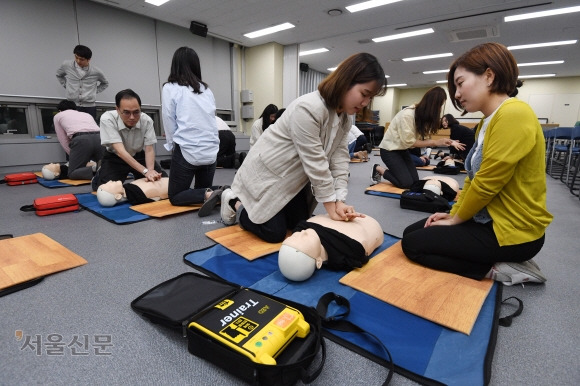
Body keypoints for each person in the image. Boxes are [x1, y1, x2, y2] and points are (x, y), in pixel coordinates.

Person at [401, 42, 553, 286]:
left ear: (489, 76)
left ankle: (500, 269)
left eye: (460, 83)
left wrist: (456, 220)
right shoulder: (485, 123)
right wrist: (452, 213)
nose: (457, 95)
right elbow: (472, 179)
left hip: (514, 232)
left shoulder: (515, 113)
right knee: (412, 233)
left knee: (413, 246)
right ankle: (492, 258)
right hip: (486, 219)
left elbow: (487, 183)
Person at [220, 52, 388, 243]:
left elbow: (340, 160)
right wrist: (331, 207)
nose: (366, 103)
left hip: (293, 177)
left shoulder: (344, 119)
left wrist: (340, 199)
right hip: (267, 174)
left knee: (300, 225)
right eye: (364, 94)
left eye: (370, 97)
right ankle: (233, 200)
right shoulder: (309, 108)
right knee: (274, 233)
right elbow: (316, 163)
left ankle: (275, 209)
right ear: (345, 81)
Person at [162, 47, 220, 211]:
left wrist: (172, 145)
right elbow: (211, 118)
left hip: (188, 150)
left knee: (175, 196)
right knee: (204, 192)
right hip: (211, 151)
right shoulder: (207, 89)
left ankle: (213, 193)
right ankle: (220, 192)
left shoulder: (170, 87)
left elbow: (168, 118)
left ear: (175, 65)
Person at [371, 86, 465, 188]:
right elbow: (410, 142)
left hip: (402, 150)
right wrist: (435, 142)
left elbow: (419, 138)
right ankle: (379, 169)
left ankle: (394, 172)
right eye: (440, 105)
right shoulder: (408, 115)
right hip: (389, 150)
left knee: (414, 182)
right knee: (406, 183)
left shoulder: (422, 116)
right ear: (433, 105)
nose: (440, 109)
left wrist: (450, 141)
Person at [92, 89, 165, 191]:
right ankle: (98, 176)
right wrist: (145, 171)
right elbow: (120, 151)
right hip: (115, 157)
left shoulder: (147, 120)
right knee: (104, 190)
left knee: (161, 181)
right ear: (117, 109)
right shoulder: (107, 119)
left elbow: (149, 149)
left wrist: (151, 171)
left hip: (138, 155)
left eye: (136, 112)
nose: (132, 117)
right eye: (126, 112)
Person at [278, 214, 384, 281]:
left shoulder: (302, 228)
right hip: (370, 222)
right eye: (303, 240)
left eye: (295, 236)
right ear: (318, 262)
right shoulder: (353, 247)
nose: (302, 233)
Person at [96, 178, 225, 215]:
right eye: (107, 186)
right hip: (175, 188)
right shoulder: (139, 195)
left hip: (173, 182)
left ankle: (222, 191)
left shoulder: (131, 188)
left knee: (192, 190)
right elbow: (162, 196)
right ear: (118, 196)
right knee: (180, 196)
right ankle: (212, 194)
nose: (108, 182)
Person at [44, 100, 102, 180]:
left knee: (72, 173)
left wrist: (73, 155)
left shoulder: (58, 116)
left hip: (81, 139)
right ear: (75, 108)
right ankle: (101, 167)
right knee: (104, 163)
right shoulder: (86, 114)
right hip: (100, 137)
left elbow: (63, 139)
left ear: (60, 110)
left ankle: (95, 168)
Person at [56, 45, 108, 120]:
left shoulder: (96, 72)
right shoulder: (66, 65)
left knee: (89, 129)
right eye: (76, 57)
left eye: (81, 59)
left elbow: (105, 83)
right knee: (72, 127)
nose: (78, 61)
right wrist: (67, 86)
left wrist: (94, 91)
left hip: (89, 107)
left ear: (88, 59)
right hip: (71, 105)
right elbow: (59, 75)